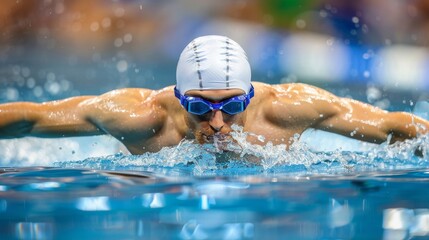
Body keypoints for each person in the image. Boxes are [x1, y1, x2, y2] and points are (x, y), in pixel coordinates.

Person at [0, 35, 428, 155]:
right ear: (180, 97)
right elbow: (32, 118)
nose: (218, 123)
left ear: (250, 94)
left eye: (233, 105)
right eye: (202, 108)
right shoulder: (141, 117)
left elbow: (392, 125)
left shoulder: (288, 108)